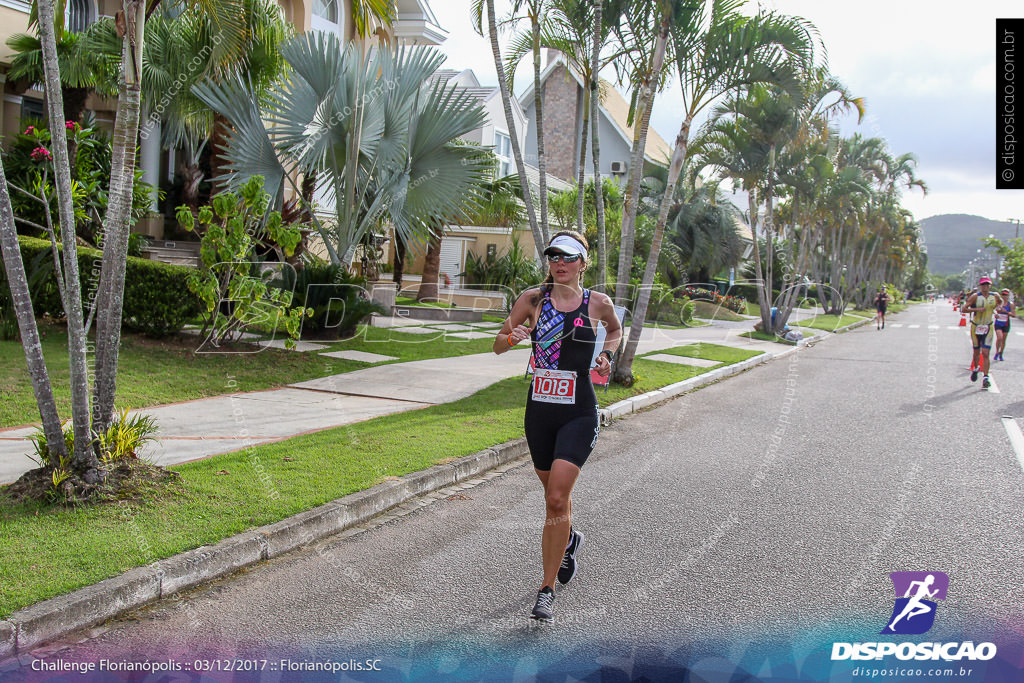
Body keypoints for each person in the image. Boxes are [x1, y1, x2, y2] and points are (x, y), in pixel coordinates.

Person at [492, 230, 622, 622]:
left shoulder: (598, 303)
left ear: (583, 263)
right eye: (553, 257)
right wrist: (511, 338)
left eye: (567, 258)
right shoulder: (532, 300)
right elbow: (497, 343)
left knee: (555, 498)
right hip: (540, 410)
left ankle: (546, 589)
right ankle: (570, 539)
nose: (559, 264)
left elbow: (614, 331)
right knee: (555, 496)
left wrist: (607, 357)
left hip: (579, 409)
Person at [961, 277, 1002, 389]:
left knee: (986, 353)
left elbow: (1000, 303)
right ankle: (975, 368)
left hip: (988, 327)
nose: (985, 287)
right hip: (976, 327)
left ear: (990, 285)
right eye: (983, 285)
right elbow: (964, 309)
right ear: (980, 286)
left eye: (987, 285)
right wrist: (976, 310)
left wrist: (997, 308)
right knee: (976, 352)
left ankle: (985, 377)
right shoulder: (975, 297)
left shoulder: (995, 296)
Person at [994, 289, 1015, 361]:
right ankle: (997, 352)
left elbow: (1013, 315)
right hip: (998, 323)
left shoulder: (1010, 304)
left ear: (1008, 296)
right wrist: (996, 314)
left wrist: (1007, 312)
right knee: (999, 338)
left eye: (1006, 295)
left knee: (1003, 340)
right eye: (1003, 295)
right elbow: (993, 311)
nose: (1004, 296)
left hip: (1006, 323)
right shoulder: (998, 303)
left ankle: (1001, 353)